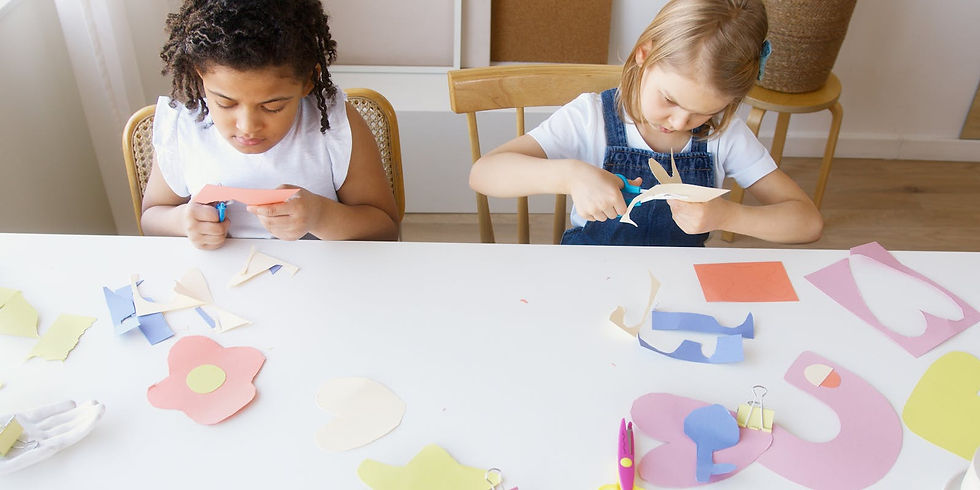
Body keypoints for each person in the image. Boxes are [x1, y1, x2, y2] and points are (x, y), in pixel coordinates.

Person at [469, 0, 823, 246]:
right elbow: (484, 173)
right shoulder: (590, 117)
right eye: (670, 99)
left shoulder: (725, 135)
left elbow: (808, 222)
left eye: (705, 111)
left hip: (677, 283)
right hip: (588, 275)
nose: (681, 121)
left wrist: (729, 217)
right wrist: (569, 175)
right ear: (645, 54)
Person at [142, 0, 399, 249]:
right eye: (225, 103)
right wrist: (183, 221)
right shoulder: (182, 126)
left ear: (308, 81)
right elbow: (150, 218)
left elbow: (385, 228)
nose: (247, 126)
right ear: (199, 74)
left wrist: (320, 216)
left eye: (272, 107)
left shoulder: (335, 125)